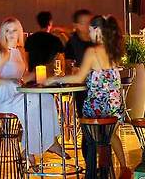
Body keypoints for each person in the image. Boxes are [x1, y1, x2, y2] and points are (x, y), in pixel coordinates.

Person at [46, 15, 130, 177]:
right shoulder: (112, 51)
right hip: (115, 107)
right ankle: (123, 168)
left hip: (99, 107)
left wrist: (55, 79)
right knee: (110, 136)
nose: (89, 35)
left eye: (90, 31)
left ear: (97, 30)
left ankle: (92, 171)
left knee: (89, 134)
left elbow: (79, 78)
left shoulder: (93, 51)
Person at [0, 18, 62, 162]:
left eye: (14, 30)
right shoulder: (3, 53)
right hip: (5, 100)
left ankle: (50, 141)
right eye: (7, 31)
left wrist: (40, 72)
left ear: (19, 32)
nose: (11, 34)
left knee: (47, 97)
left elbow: (23, 77)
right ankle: (30, 148)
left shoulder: (20, 52)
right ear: (3, 33)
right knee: (34, 101)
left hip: (18, 94)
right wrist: (9, 81)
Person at [65, 9, 94, 116]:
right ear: (76, 25)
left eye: (90, 22)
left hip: (98, 85)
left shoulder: (96, 41)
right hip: (81, 85)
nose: (88, 25)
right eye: (84, 23)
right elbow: (69, 65)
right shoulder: (72, 43)